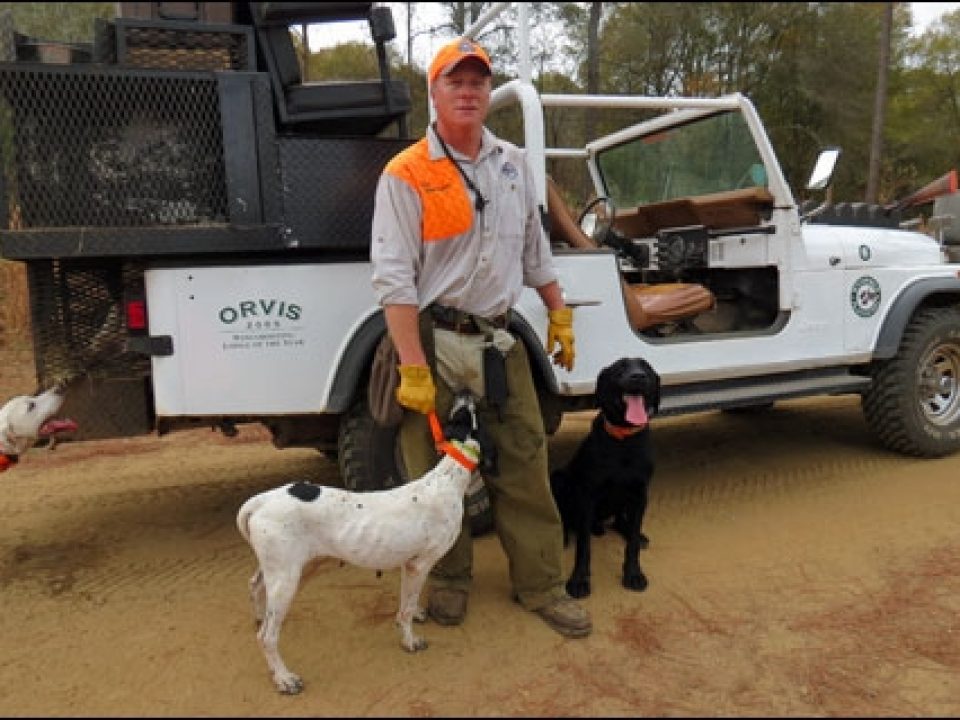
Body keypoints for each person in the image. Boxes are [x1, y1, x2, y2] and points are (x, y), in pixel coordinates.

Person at [370, 37, 591, 638]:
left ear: (489, 93)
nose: (467, 92)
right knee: (432, 475)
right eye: (454, 81)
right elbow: (394, 280)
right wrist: (413, 367)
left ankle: (542, 585)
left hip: (499, 338)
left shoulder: (514, 164)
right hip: (433, 340)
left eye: (478, 82)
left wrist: (558, 313)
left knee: (523, 457)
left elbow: (534, 251)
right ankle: (447, 581)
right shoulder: (407, 172)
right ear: (434, 92)